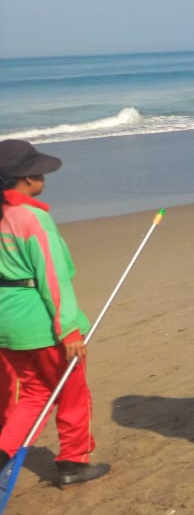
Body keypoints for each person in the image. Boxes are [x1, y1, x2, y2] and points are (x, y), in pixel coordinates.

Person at [0, 140, 109, 486]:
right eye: (38, 171)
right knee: (72, 392)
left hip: (7, 321)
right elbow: (53, 278)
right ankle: (73, 462)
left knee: (33, 395)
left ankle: (3, 452)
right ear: (26, 177)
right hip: (40, 322)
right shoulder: (32, 218)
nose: (43, 176)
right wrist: (70, 331)